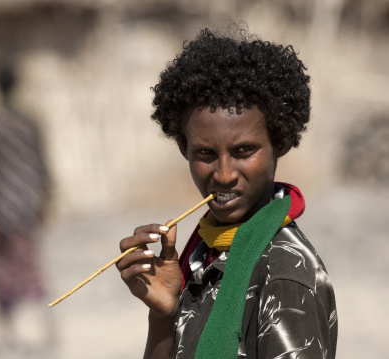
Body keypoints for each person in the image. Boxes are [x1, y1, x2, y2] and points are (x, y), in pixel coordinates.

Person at [117, 25, 338, 359]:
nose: (223, 174)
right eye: (205, 154)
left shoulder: (284, 276)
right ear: (184, 149)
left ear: (279, 142)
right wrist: (163, 314)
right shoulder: (199, 254)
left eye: (244, 151)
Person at [0, 63, 49, 343]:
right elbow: (42, 165)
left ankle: (9, 329)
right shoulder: (29, 121)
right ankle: (41, 325)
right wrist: (43, 202)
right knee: (29, 261)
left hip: (0, 208)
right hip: (28, 205)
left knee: (2, 267)